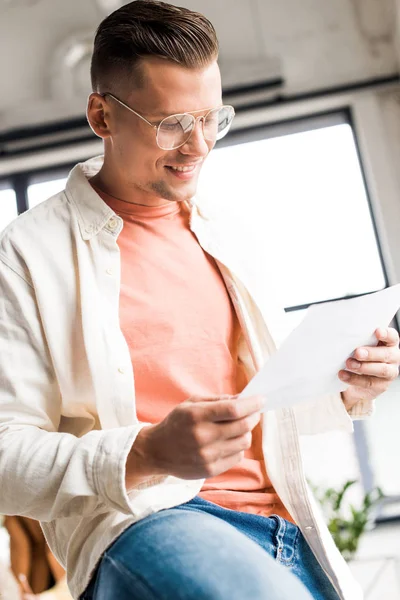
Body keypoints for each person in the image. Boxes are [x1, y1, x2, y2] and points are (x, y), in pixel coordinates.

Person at [0, 2, 399, 599]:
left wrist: (346, 384)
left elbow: (266, 400)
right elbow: (6, 454)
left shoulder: (231, 230)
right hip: (150, 523)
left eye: (212, 118)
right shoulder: (27, 254)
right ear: (101, 114)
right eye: (172, 123)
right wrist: (146, 451)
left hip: (286, 528)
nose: (199, 145)